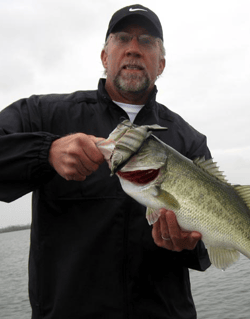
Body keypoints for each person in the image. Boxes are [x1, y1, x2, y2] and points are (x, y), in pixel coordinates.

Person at [0, 4, 211, 319]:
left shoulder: (189, 141)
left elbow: (207, 244)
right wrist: (46, 152)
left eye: (147, 41)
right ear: (104, 56)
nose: (134, 50)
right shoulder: (45, 115)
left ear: (161, 63)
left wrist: (187, 243)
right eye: (123, 38)